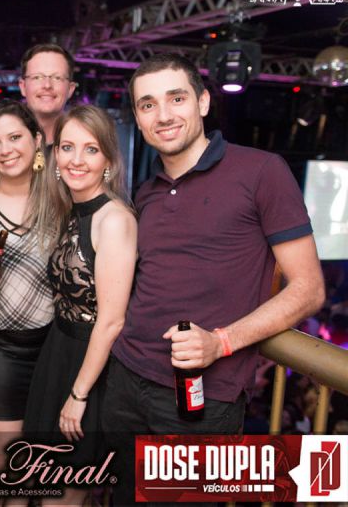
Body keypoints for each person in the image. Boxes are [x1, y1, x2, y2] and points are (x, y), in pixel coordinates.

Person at [103, 53, 325, 503]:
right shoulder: (146, 192)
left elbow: (308, 290)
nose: (163, 115)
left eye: (176, 98)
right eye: (147, 105)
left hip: (201, 396)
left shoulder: (261, 171)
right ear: (139, 120)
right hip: (124, 377)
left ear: (203, 102)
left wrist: (220, 342)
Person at [23, 105, 137, 506]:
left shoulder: (114, 219)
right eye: (67, 147)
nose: (76, 159)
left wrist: (79, 394)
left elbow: (111, 321)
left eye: (91, 149)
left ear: (108, 159)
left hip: (90, 367)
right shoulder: (71, 209)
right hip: (59, 351)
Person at [0, 100, 62, 498]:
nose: (5, 149)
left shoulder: (62, 200)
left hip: (53, 350)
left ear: (37, 140)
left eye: (14, 137)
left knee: (36, 468)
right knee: (2, 464)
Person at [18, 43, 77, 148]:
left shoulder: (85, 142)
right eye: (37, 77)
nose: (47, 85)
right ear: (23, 87)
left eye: (57, 78)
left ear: (70, 89)